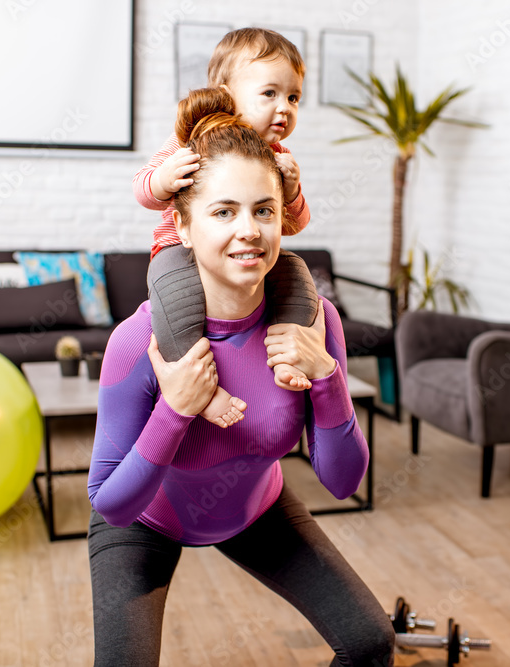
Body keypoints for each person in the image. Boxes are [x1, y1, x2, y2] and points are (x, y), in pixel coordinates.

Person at [89, 87, 395, 667]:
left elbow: (344, 482)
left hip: (255, 510)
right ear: (181, 225)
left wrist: (328, 380)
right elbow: (113, 506)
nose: (249, 230)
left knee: (371, 643)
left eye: (263, 210)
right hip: (147, 519)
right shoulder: (140, 340)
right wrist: (175, 410)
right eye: (223, 211)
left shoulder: (314, 323)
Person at [134, 27, 317, 430]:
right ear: (227, 91)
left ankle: (288, 354)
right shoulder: (194, 135)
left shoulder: (279, 156)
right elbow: (143, 190)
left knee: (299, 276)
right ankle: (198, 389)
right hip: (179, 250)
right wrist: (164, 178)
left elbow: (297, 224)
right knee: (172, 293)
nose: (283, 107)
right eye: (269, 93)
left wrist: (292, 191)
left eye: (293, 97)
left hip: (245, 255)